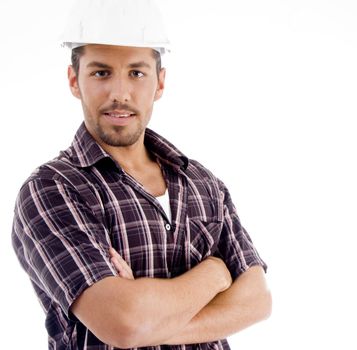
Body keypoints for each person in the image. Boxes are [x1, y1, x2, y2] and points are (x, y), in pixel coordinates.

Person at [11, 1, 271, 349]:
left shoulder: (203, 185)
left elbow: (257, 300)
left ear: (159, 82)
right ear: (75, 80)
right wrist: (215, 274)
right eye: (101, 73)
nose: (120, 93)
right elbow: (125, 323)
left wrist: (151, 321)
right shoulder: (53, 190)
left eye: (136, 73)